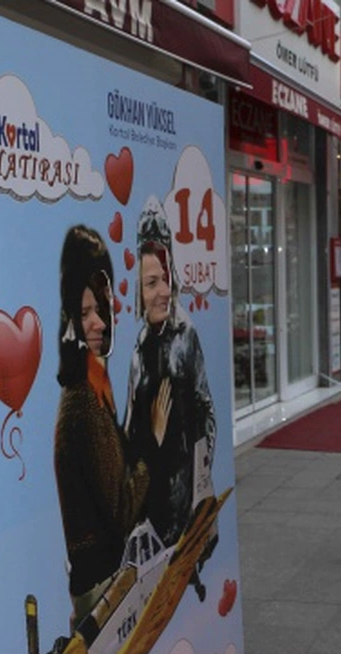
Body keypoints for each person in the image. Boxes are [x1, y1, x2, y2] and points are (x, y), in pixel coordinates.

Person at [52, 226, 154, 627]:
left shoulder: (98, 383)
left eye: (103, 307)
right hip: (102, 589)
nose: (98, 323)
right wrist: (150, 442)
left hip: (104, 579)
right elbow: (122, 509)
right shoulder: (84, 403)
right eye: (84, 313)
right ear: (70, 319)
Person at [124, 199, 218, 597]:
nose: (162, 291)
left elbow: (206, 411)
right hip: (153, 512)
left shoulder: (186, 335)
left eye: (165, 278)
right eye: (150, 283)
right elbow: (132, 435)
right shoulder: (138, 350)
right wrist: (152, 437)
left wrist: (200, 481)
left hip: (186, 501)